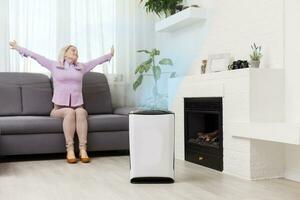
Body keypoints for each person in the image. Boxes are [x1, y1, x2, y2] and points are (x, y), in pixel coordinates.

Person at [9, 40, 114, 164]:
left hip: (78, 106)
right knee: (70, 112)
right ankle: (70, 150)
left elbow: (96, 61)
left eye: (77, 51)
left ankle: (83, 150)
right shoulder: (54, 65)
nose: (76, 51)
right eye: (72, 49)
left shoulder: (81, 67)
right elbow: (36, 56)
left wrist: (110, 55)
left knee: (80, 112)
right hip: (58, 109)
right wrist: (17, 47)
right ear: (65, 53)